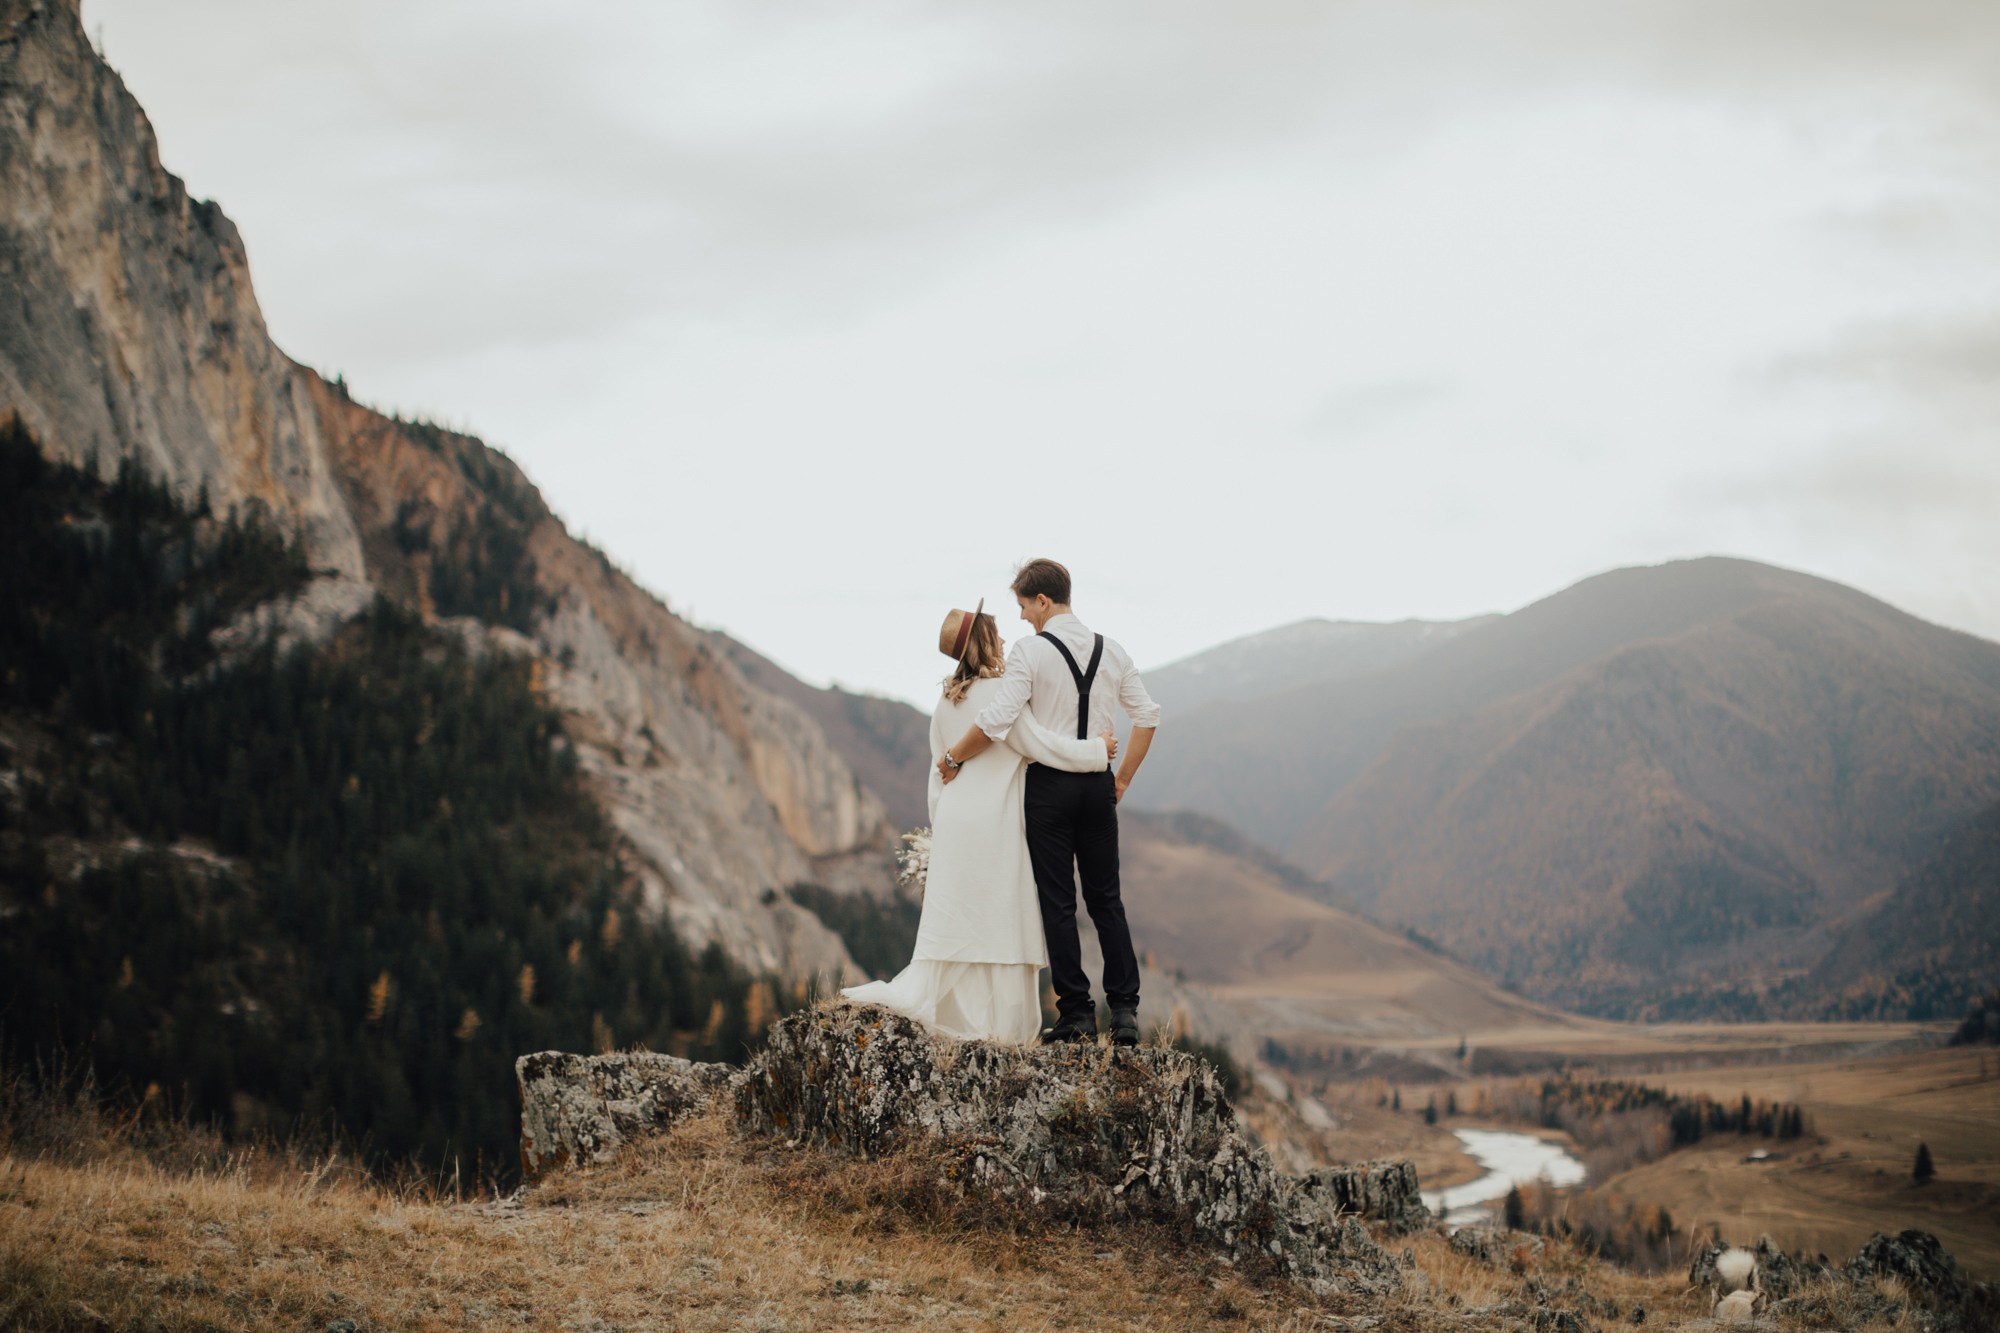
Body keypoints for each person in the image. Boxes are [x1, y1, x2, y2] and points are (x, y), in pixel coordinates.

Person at [841, 603, 1116, 1043]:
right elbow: (1040, 744)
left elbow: (938, 774)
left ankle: (957, 1019)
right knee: (1001, 919)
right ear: (984, 641)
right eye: (997, 634)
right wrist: (1097, 750)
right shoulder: (1001, 693)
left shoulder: (946, 701)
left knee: (962, 921)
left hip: (955, 822)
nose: (1006, 641)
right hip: (997, 822)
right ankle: (999, 1029)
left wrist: (944, 829)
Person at [936, 559, 1161, 1047]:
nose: (1020, 618)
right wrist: (1120, 780)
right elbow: (1147, 717)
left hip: (1050, 792)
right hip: (1098, 787)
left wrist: (953, 757)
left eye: (1022, 606)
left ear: (1042, 600)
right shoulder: (1113, 650)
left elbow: (998, 721)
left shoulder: (1030, 652)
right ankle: (1124, 1013)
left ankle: (1077, 1016)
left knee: (1058, 904)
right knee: (1107, 900)